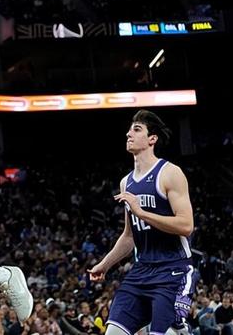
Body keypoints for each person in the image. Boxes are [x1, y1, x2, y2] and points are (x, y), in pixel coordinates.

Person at [88, 110, 197, 335]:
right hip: (141, 270)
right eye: (129, 130)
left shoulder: (170, 173)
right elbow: (129, 236)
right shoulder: (126, 183)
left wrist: (141, 212)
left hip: (172, 270)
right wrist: (105, 264)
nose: (129, 134)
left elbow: (186, 226)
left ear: (152, 139)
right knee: (113, 332)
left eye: (137, 130)